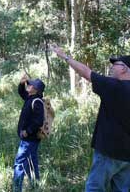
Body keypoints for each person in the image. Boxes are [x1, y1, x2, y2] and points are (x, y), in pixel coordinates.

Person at [51, 45, 130, 191]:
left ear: (124, 68)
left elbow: (87, 73)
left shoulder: (114, 86)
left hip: (108, 152)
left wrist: (65, 57)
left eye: (116, 64)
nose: (112, 67)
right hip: (127, 157)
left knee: (94, 188)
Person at [13, 74, 45, 192]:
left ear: (35, 89)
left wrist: (28, 131)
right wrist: (22, 83)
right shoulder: (29, 97)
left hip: (30, 139)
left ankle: (16, 189)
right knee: (32, 162)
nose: (28, 85)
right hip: (29, 139)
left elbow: (39, 121)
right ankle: (35, 185)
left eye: (30, 84)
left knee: (19, 163)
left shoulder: (37, 102)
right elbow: (21, 93)